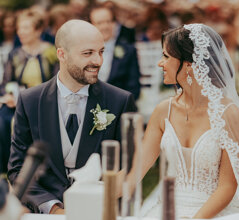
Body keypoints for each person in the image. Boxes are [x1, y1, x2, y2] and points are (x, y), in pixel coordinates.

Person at [7, 19, 137, 214]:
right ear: (62, 54)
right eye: (88, 53)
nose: (98, 61)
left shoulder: (120, 101)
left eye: (101, 52)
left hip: (100, 211)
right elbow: (18, 170)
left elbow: (129, 168)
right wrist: (53, 208)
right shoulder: (30, 101)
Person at [124, 24, 239, 219]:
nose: (160, 63)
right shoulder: (163, 111)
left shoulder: (228, 114)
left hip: (211, 212)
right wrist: (97, 190)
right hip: (168, 209)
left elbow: (228, 186)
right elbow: (135, 172)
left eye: (166, 57)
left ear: (188, 65)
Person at [0, 9, 58, 174]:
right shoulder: (15, 54)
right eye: (19, 28)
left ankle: (41, 170)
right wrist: (10, 96)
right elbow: (6, 83)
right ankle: (7, 170)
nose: (20, 32)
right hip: (18, 102)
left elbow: (56, 81)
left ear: (38, 30)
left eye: (26, 27)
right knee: (2, 122)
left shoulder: (51, 52)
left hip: (44, 101)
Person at [89, 4, 141, 100]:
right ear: (91, 25)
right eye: (99, 23)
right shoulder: (84, 51)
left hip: (119, 107)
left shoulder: (128, 51)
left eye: (108, 21)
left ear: (115, 24)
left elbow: (134, 88)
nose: (105, 26)